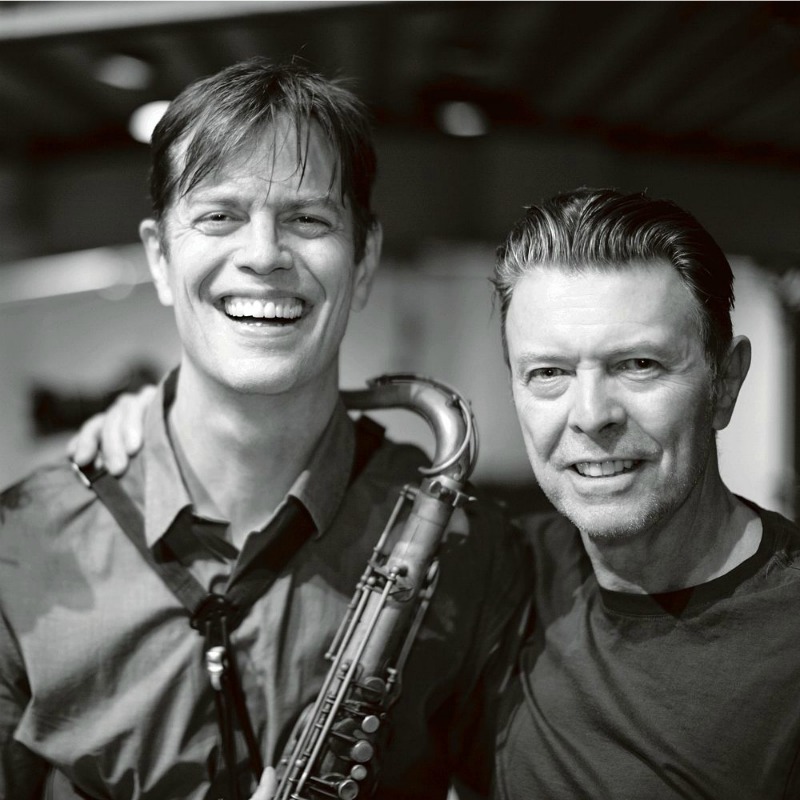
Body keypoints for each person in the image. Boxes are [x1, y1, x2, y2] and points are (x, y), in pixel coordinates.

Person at [0, 58, 527, 800]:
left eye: (309, 220)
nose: (263, 256)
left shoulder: (474, 549)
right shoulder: (20, 546)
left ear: (364, 260)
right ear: (160, 257)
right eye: (219, 216)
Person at [490, 188, 800, 799]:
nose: (591, 416)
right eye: (548, 372)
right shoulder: (500, 574)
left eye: (638, 365)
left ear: (725, 383)